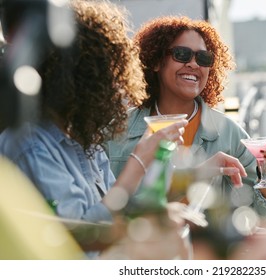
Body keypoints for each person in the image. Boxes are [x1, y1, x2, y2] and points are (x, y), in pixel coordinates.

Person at [0, 0, 247, 258]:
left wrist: (187, 180)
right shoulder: (31, 146)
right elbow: (79, 238)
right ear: (82, 79)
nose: (118, 89)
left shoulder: (86, 142)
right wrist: (139, 161)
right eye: (109, 77)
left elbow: (118, 206)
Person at [107, 15, 266, 228]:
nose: (193, 64)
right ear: (155, 61)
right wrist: (196, 175)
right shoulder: (116, 131)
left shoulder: (230, 134)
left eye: (203, 58)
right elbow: (106, 209)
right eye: (182, 54)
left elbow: (265, 219)